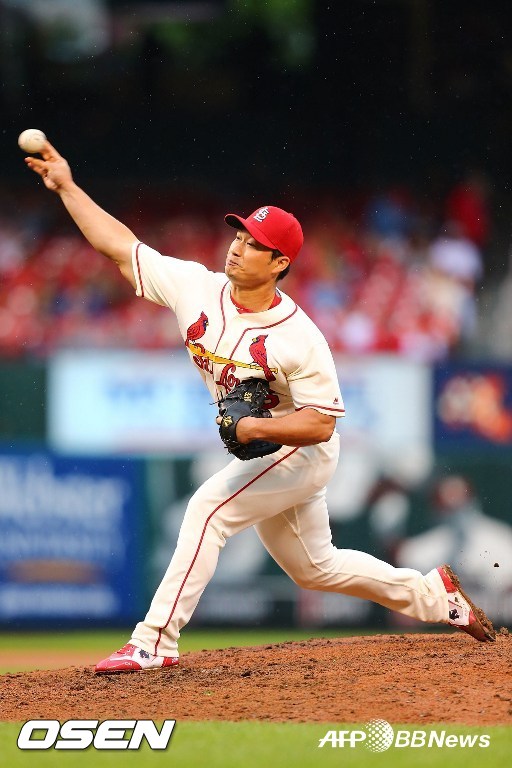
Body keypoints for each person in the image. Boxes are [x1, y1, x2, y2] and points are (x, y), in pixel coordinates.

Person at [25, 141, 496, 673]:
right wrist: (67, 186)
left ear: (279, 263)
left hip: (299, 452)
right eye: (240, 235)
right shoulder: (195, 287)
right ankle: (435, 596)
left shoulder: (299, 336)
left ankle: (153, 641)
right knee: (314, 568)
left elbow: (321, 423)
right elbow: (120, 246)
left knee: (207, 510)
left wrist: (250, 428)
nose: (238, 248)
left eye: (255, 245)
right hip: (267, 447)